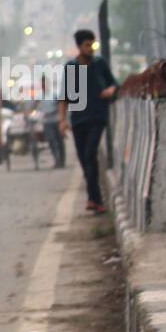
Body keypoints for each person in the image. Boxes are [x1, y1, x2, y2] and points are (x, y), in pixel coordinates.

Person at [61, 29, 117, 213]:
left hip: (97, 117)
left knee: (90, 153)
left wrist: (110, 91)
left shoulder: (100, 64)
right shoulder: (71, 67)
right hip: (78, 119)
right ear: (79, 47)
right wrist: (63, 121)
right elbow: (65, 97)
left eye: (92, 44)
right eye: (87, 45)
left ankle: (97, 200)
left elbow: (114, 83)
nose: (90, 48)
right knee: (84, 158)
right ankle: (93, 198)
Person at [37, 72, 65, 167]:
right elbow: (36, 107)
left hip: (56, 120)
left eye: (45, 83)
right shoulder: (40, 96)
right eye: (42, 83)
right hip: (47, 121)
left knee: (59, 141)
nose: (43, 85)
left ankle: (61, 160)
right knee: (51, 141)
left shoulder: (54, 94)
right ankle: (56, 159)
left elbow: (61, 105)